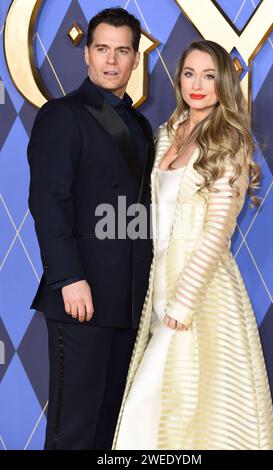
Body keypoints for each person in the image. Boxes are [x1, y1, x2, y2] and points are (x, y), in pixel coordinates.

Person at [113, 40, 273, 450]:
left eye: (209, 76)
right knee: (161, 410)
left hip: (202, 296)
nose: (198, 84)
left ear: (223, 82)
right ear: (179, 80)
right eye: (189, 74)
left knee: (188, 409)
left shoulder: (230, 142)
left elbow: (217, 233)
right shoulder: (168, 133)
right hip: (160, 287)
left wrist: (182, 304)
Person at [27, 8, 154, 450]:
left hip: (129, 298)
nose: (111, 60)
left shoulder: (140, 124)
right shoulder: (63, 115)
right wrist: (67, 277)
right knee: (73, 433)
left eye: (123, 50)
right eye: (102, 49)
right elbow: (48, 202)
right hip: (81, 296)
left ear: (136, 59)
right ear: (86, 54)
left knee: (111, 434)